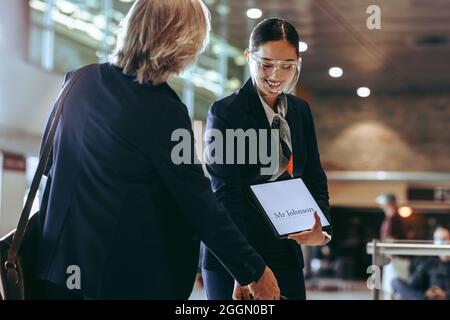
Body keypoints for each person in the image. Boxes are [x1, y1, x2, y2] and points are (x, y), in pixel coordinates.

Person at [35, 0, 280, 300]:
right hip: (120, 282)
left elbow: (50, 166)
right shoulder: (162, 110)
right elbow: (199, 203)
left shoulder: (78, 80)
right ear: (181, 42)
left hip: (56, 273)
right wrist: (253, 270)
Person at [200, 18, 332, 300]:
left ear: (298, 62)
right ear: (249, 58)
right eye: (266, 64)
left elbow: (313, 176)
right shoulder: (226, 113)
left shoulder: (299, 111)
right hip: (235, 255)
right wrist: (244, 269)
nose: (276, 74)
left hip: (285, 253)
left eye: (287, 66)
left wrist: (322, 230)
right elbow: (226, 194)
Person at [392, 226, 450, 300]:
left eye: (444, 239)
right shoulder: (429, 262)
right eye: (437, 239)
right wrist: (428, 292)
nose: (441, 242)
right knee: (396, 282)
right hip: (427, 298)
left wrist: (445, 295)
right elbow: (415, 284)